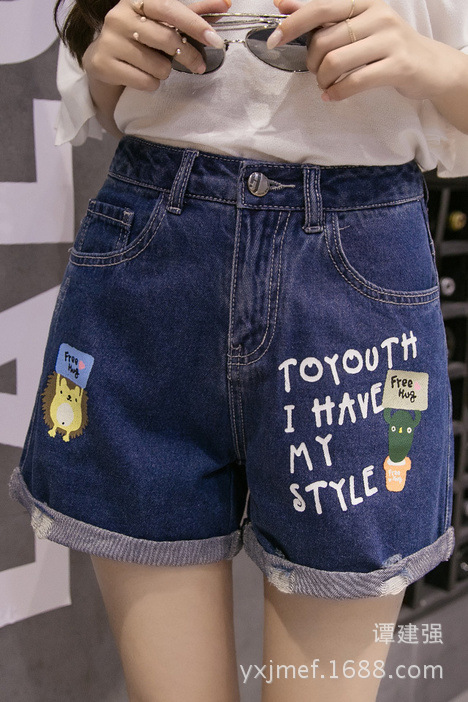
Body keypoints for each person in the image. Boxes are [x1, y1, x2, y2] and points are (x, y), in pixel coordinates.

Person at [9, 0, 468, 699]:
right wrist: (108, 54)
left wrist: (435, 64)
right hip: (153, 262)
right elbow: (105, 98)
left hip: (356, 280)